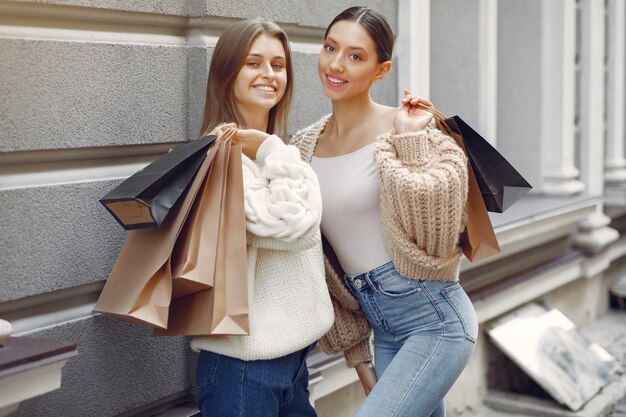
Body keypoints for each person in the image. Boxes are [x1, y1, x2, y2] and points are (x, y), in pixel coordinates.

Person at [290, 7, 478, 417]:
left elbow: (439, 228)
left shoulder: (407, 125)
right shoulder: (302, 146)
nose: (336, 65)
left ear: (381, 69)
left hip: (436, 320)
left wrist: (410, 143)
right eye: (330, 48)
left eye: (356, 56)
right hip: (382, 328)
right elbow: (317, 262)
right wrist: (360, 360)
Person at [190, 19, 334, 417]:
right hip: (242, 371)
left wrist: (272, 150)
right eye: (253, 63)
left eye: (278, 64)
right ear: (226, 73)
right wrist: (271, 150)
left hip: (292, 361)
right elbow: (296, 227)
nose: (269, 75)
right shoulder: (219, 157)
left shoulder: (271, 153)